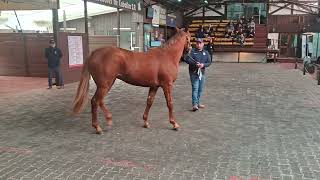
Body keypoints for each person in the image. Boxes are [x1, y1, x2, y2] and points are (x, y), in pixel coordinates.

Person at [184, 38, 212, 111]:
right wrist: (195, 64)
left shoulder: (206, 52)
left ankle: (198, 103)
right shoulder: (192, 51)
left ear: (203, 44)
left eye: (200, 43)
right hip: (194, 73)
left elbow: (209, 62)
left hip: (202, 73)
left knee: (200, 89)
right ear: (196, 44)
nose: (199, 45)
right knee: (195, 88)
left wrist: (203, 65)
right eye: (197, 43)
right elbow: (187, 59)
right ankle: (195, 105)